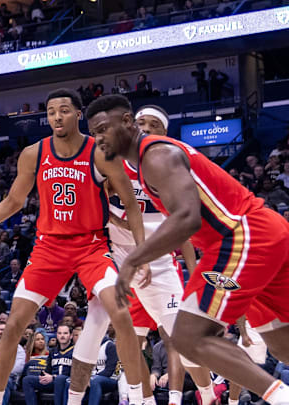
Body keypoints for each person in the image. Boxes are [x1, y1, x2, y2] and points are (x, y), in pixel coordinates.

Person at [86, 94, 289, 405]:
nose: (98, 138)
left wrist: (132, 261)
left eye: (103, 129)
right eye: (94, 132)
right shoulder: (143, 163)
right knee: (282, 342)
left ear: (127, 122)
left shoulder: (155, 155)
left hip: (241, 236)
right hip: (260, 235)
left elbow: (187, 218)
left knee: (189, 336)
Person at [0, 88, 148, 405]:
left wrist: (141, 256)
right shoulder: (34, 153)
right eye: (51, 110)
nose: (57, 116)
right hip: (49, 248)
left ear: (78, 114)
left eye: (64, 110)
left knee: (121, 314)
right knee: (13, 324)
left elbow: (132, 207)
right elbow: (14, 201)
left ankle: (139, 398)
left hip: (91, 246)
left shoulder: (99, 152)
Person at [108, 104, 214, 405]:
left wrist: (194, 273)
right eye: (140, 122)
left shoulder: (169, 165)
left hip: (158, 263)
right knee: (128, 342)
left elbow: (187, 230)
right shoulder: (115, 163)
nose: (145, 127)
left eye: (153, 124)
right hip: (120, 260)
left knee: (182, 339)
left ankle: (206, 395)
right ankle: (142, 399)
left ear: (163, 133)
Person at [23, 324, 74, 405]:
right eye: (60, 333)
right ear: (56, 335)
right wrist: (44, 376)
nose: (62, 336)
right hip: (53, 381)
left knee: (59, 379)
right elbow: (48, 370)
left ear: (71, 336)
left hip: (67, 382)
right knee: (27, 380)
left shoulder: (75, 351)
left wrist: (54, 377)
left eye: (65, 333)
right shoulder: (53, 351)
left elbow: (75, 373)